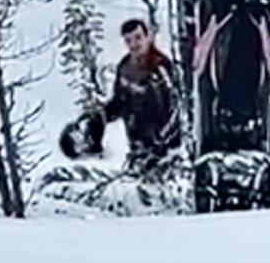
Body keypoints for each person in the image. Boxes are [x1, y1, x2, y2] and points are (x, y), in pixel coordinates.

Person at [61, 19, 181, 168]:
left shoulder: (161, 67)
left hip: (166, 153)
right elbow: (120, 102)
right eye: (129, 40)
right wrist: (100, 116)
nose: (134, 44)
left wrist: (161, 141)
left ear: (147, 37)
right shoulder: (125, 68)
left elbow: (176, 108)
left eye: (138, 37)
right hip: (138, 149)